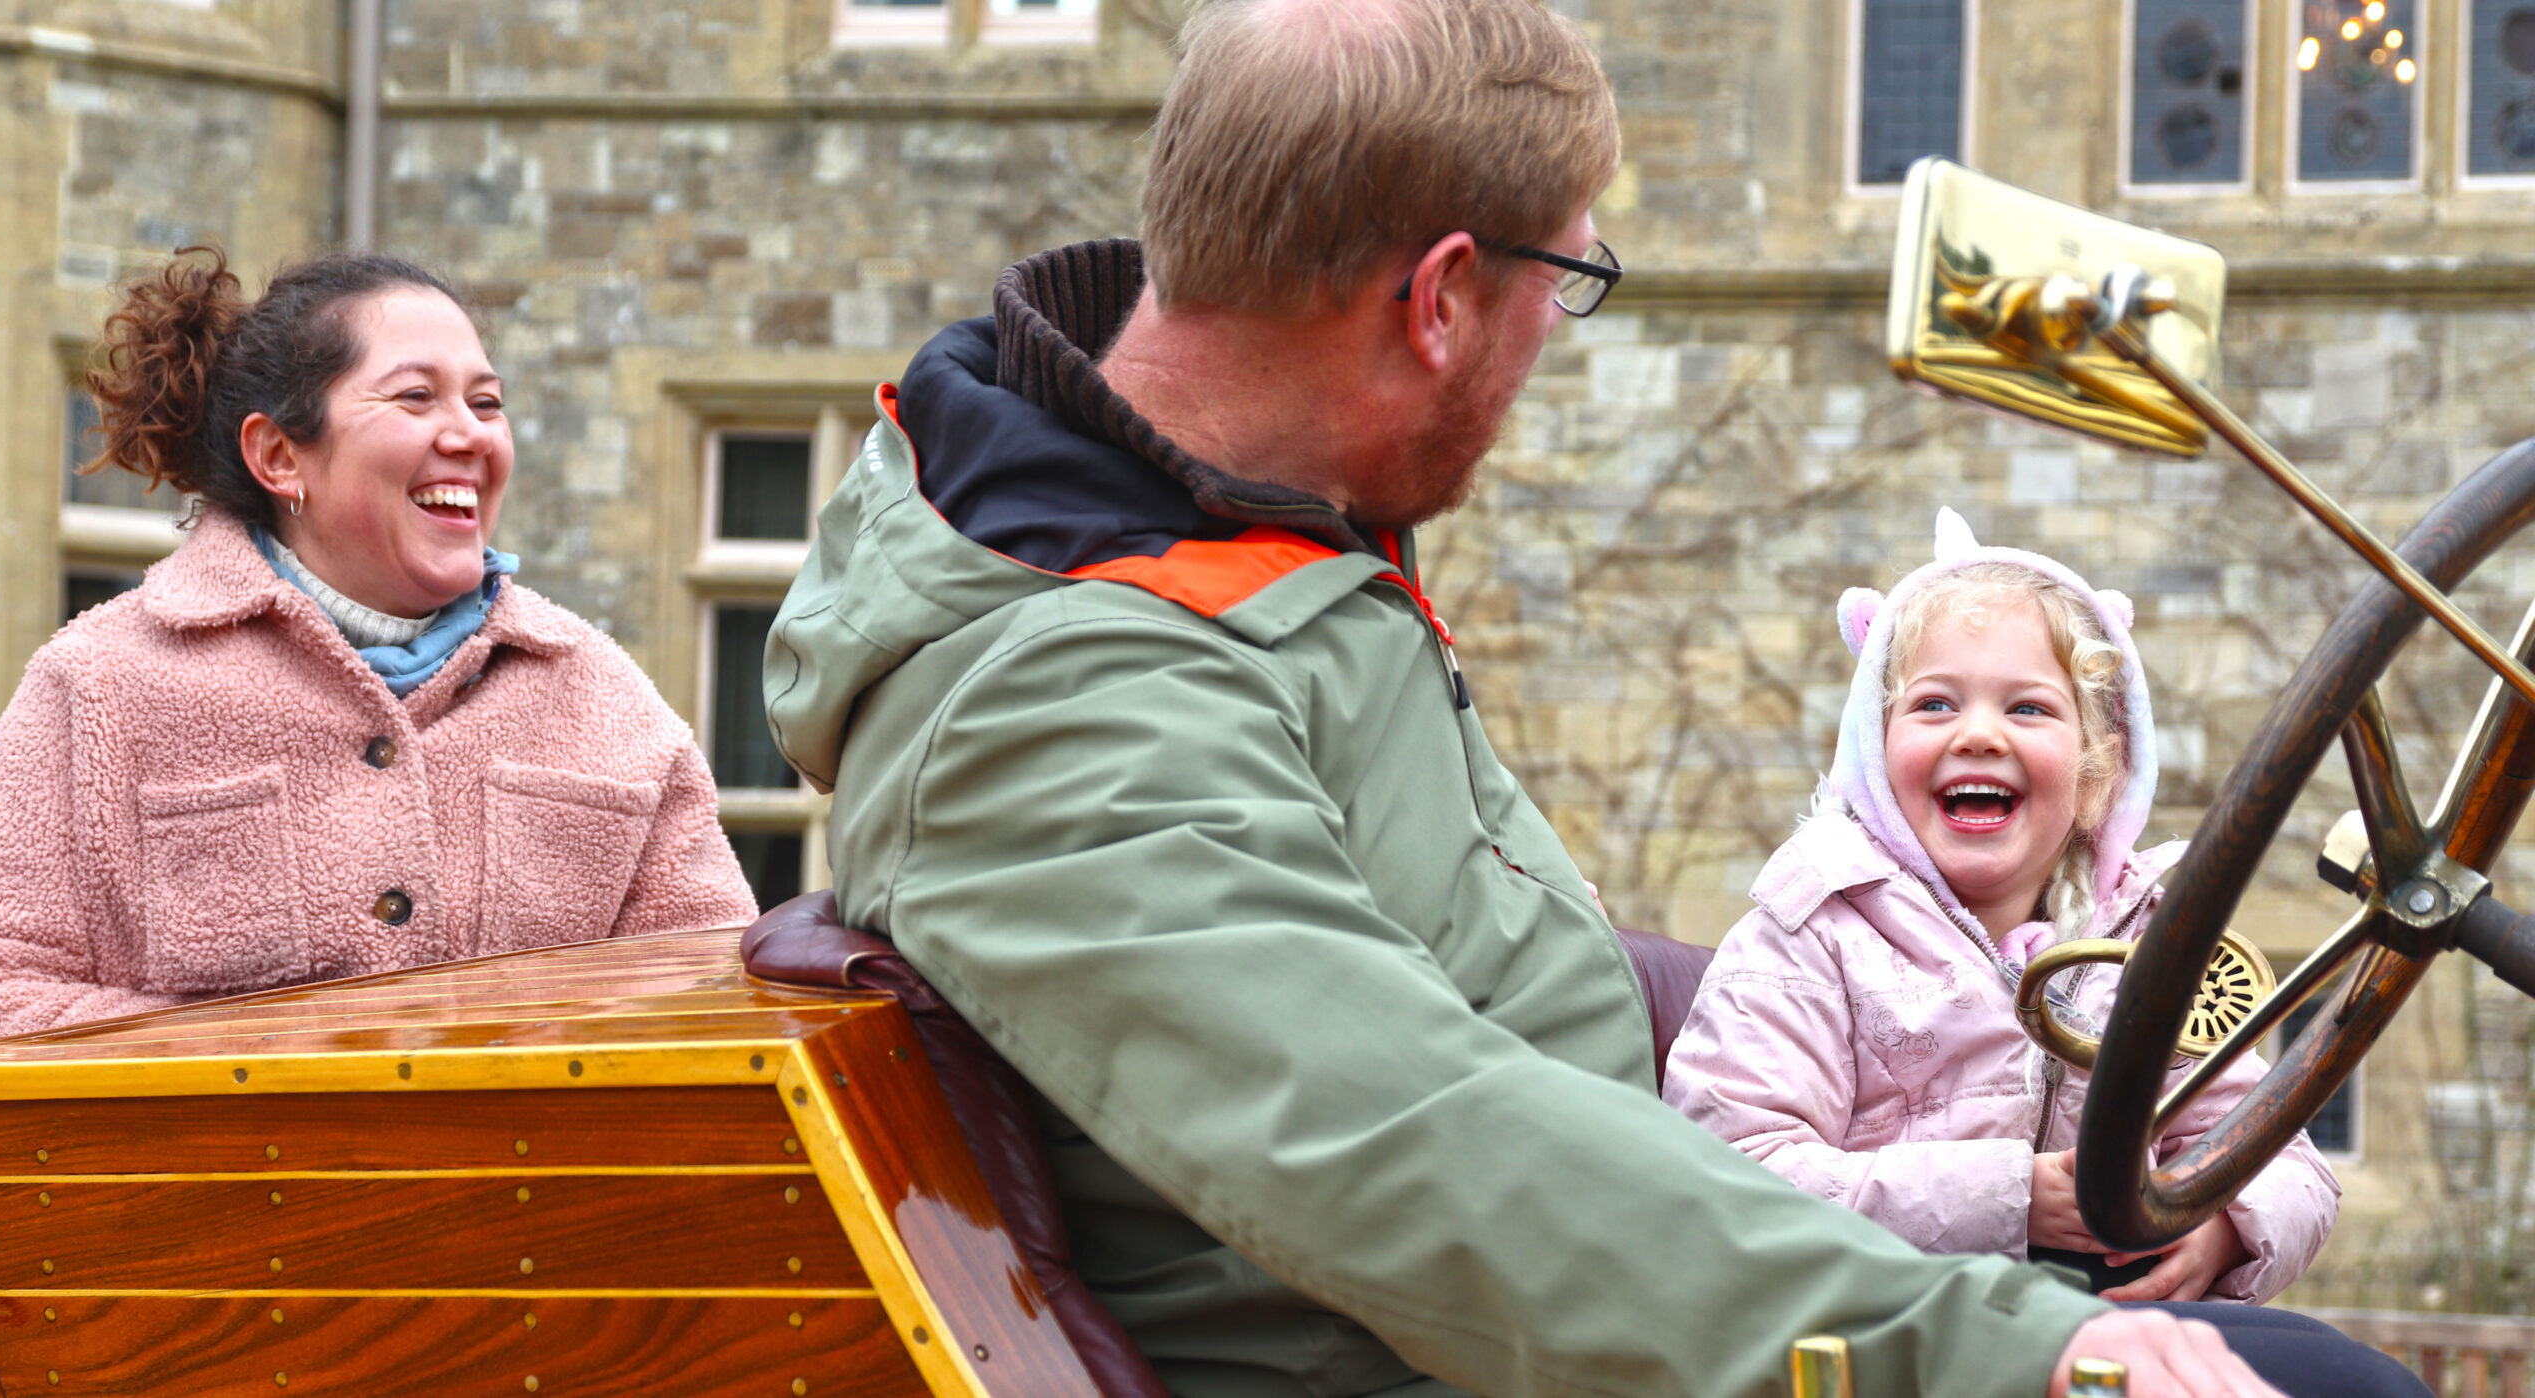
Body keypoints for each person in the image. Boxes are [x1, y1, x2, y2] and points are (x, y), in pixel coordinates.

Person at [763, 1, 2293, 1395]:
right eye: (1565, 278)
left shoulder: (1252, 543)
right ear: (1439, 297)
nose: (1552, 337)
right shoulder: (1070, 692)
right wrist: (2002, 1351)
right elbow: (1421, 1147)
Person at [0, 247, 757, 1038]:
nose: (469, 434)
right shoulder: (98, 685)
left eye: (486, 404)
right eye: (417, 397)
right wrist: (267, 1072)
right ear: (280, 456)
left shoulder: (604, 698)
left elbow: (711, 1005)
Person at [1664, 510, 2340, 1309]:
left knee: (2353, 1379)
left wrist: (2220, 1227)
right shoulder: (1810, 934)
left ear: (2095, 773)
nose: (1979, 734)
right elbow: (1731, 1174)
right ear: (1875, 756)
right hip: (1892, 1334)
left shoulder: (2149, 947)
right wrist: (2010, 1199)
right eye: (1935, 706)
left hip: (2111, 1330)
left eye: (2027, 709)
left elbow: (2284, 1159)